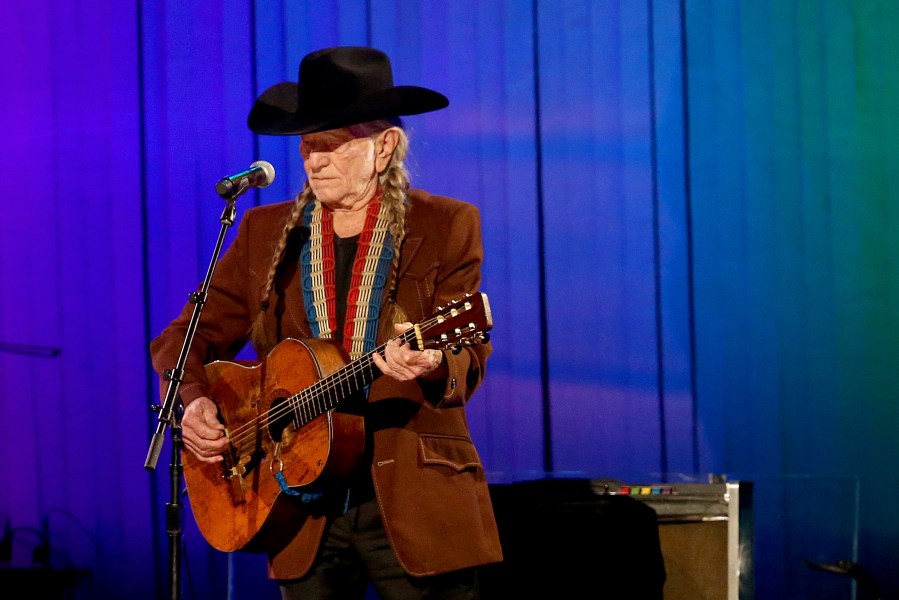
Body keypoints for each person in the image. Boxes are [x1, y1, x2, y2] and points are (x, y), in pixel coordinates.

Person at [150, 46, 502, 599]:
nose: (315, 160)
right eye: (308, 144)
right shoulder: (267, 235)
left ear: (384, 146)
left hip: (410, 494)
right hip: (299, 505)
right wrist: (194, 399)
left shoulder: (447, 224)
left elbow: (469, 355)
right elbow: (183, 339)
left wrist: (434, 359)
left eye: (335, 143)